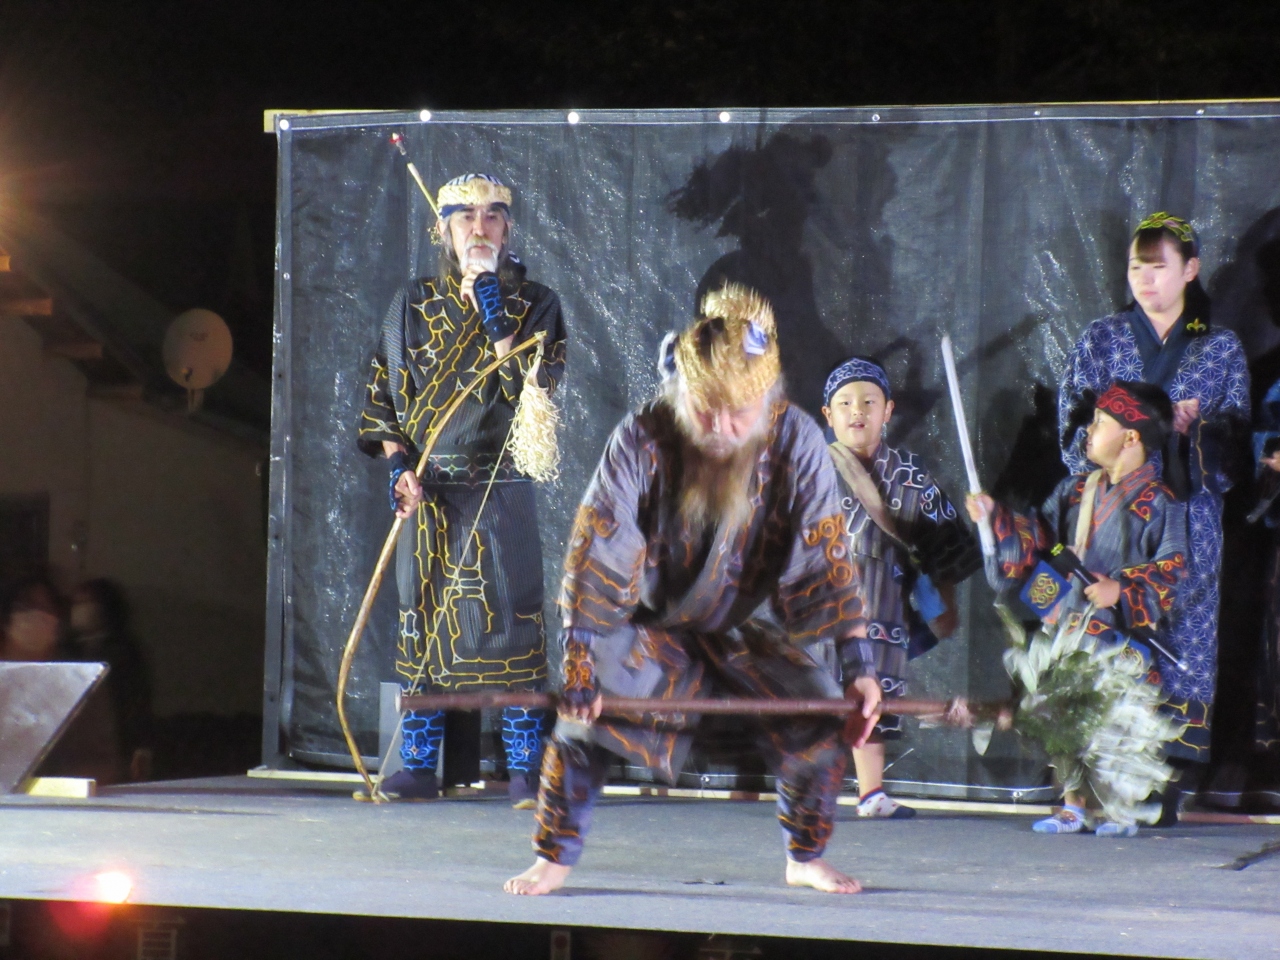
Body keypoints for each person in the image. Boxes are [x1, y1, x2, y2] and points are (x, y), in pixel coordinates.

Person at [504, 283, 882, 897]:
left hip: (737, 633)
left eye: (740, 412)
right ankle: (553, 857)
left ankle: (805, 856)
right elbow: (597, 548)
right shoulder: (643, 435)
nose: (722, 430)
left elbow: (826, 561)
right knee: (586, 714)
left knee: (819, 709)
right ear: (683, 389)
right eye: (706, 410)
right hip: (646, 627)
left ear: (768, 396)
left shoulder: (798, 441)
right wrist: (579, 660)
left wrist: (859, 668)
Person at [357, 173, 567, 805]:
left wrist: (495, 313)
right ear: (442, 228)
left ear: (508, 227)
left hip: (500, 488)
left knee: (514, 626)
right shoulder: (411, 303)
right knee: (422, 621)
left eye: (493, 215)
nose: (480, 227)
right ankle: (420, 765)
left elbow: (531, 395)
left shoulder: (537, 303)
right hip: (429, 492)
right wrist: (399, 467)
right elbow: (382, 400)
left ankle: (525, 768)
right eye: (467, 216)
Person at [1059, 212, 1249, 770]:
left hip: (1187, 520)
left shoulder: (1219, 347)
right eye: (1136, 267)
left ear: (1190, 269)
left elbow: (1237, 447)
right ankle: (1092, 777)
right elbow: (1072, 433)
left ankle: (1167, 781)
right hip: (1111, 517)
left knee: (1183, 634)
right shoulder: (1101, 339)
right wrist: (1120, 434)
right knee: (1102, 626)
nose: (1145, 279)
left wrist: (1197, 432)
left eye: (1158, 267)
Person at [970, 381, 1187, 836]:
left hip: (1116, 636)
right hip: (1067, 626)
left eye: (1100, 423)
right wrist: (996, 519)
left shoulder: (1158, 502)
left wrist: (1121, 589)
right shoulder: (1073, 490)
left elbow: (1173, 569)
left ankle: (1117, 810)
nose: (1088, 431)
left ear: (1131, 436)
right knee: (1063, 717)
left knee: (1112, 724)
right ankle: (1073, 805)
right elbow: (1039, 538)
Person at [821, 356, 981, 818]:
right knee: (813, 697)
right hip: (821, 602)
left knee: (875, 692)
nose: (857, 410)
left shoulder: (911, 474)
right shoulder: (810, 469)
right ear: (827, 414)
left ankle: (871, 793)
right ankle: (808, 788)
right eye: (845, 403)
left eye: (869, 401)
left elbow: (944, 543)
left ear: (888, 410)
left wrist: (944, 601)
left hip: (883, 600)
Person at [68, 579, 154, 782]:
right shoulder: (69, 649)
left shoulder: (123, 651)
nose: (80, 609)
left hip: (116, 743)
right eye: (76, 603)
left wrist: (140, 746)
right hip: (75, 745)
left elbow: (137, 700)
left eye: (87, 602)